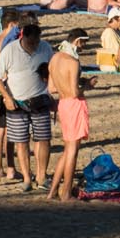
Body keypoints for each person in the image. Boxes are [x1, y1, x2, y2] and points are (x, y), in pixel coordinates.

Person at [0, 15, 55, 191]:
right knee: (21, 142)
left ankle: (41, 177)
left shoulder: (45, 48)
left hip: (40, 98)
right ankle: (27, 178)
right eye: (31, 42)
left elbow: (53, 72)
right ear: (23, 36)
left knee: (43, 139)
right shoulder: (10, 50)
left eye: (37, 42)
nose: (34, 46)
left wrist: (52, 94)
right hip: (17, 101)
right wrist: (7, 97)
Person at [47, 30, 91, 201]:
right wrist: (87, 85)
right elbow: (74, 91)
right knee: (73, 150)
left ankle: (52, 192)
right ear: (78, 41)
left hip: (62, 104)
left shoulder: (54, 58)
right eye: (83, 44)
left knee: (66, 151)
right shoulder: (72, 62)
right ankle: (65, 192)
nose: (83, 48)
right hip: (73, 104)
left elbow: (51, 88)